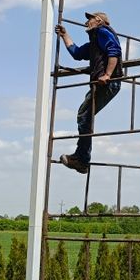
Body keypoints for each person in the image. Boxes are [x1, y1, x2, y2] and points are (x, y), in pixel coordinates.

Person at [54, 11, 123, 174]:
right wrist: (65, 35)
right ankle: (81, 158)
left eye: (89, 20)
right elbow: (77, 53)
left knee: (84, 116)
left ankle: (82, 159)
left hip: (107, 84)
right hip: (101, 85)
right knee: (84, 116)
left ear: (98, 20)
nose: (87, 23)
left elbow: (114, 51)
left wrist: (107, 74)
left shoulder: (102, 31)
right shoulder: (94, 41)